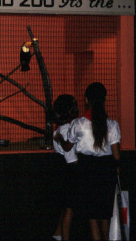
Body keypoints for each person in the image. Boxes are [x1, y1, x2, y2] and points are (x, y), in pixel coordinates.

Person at [67, 82, 121, 241]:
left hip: (87, 171)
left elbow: (69, 145)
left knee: (92, 219)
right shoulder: (112, 124)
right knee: (105, 217)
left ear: (86, 100)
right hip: (106, 173)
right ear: (104, 100)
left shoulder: (78, 124)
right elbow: (117, 156)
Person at [51, 94, 79, 241]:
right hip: (70, 172)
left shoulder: (57, 131)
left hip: (61, 172)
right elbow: (71, 158)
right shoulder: (70, 129)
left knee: (65, 206)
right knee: (70, 208)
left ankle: (57, 233)